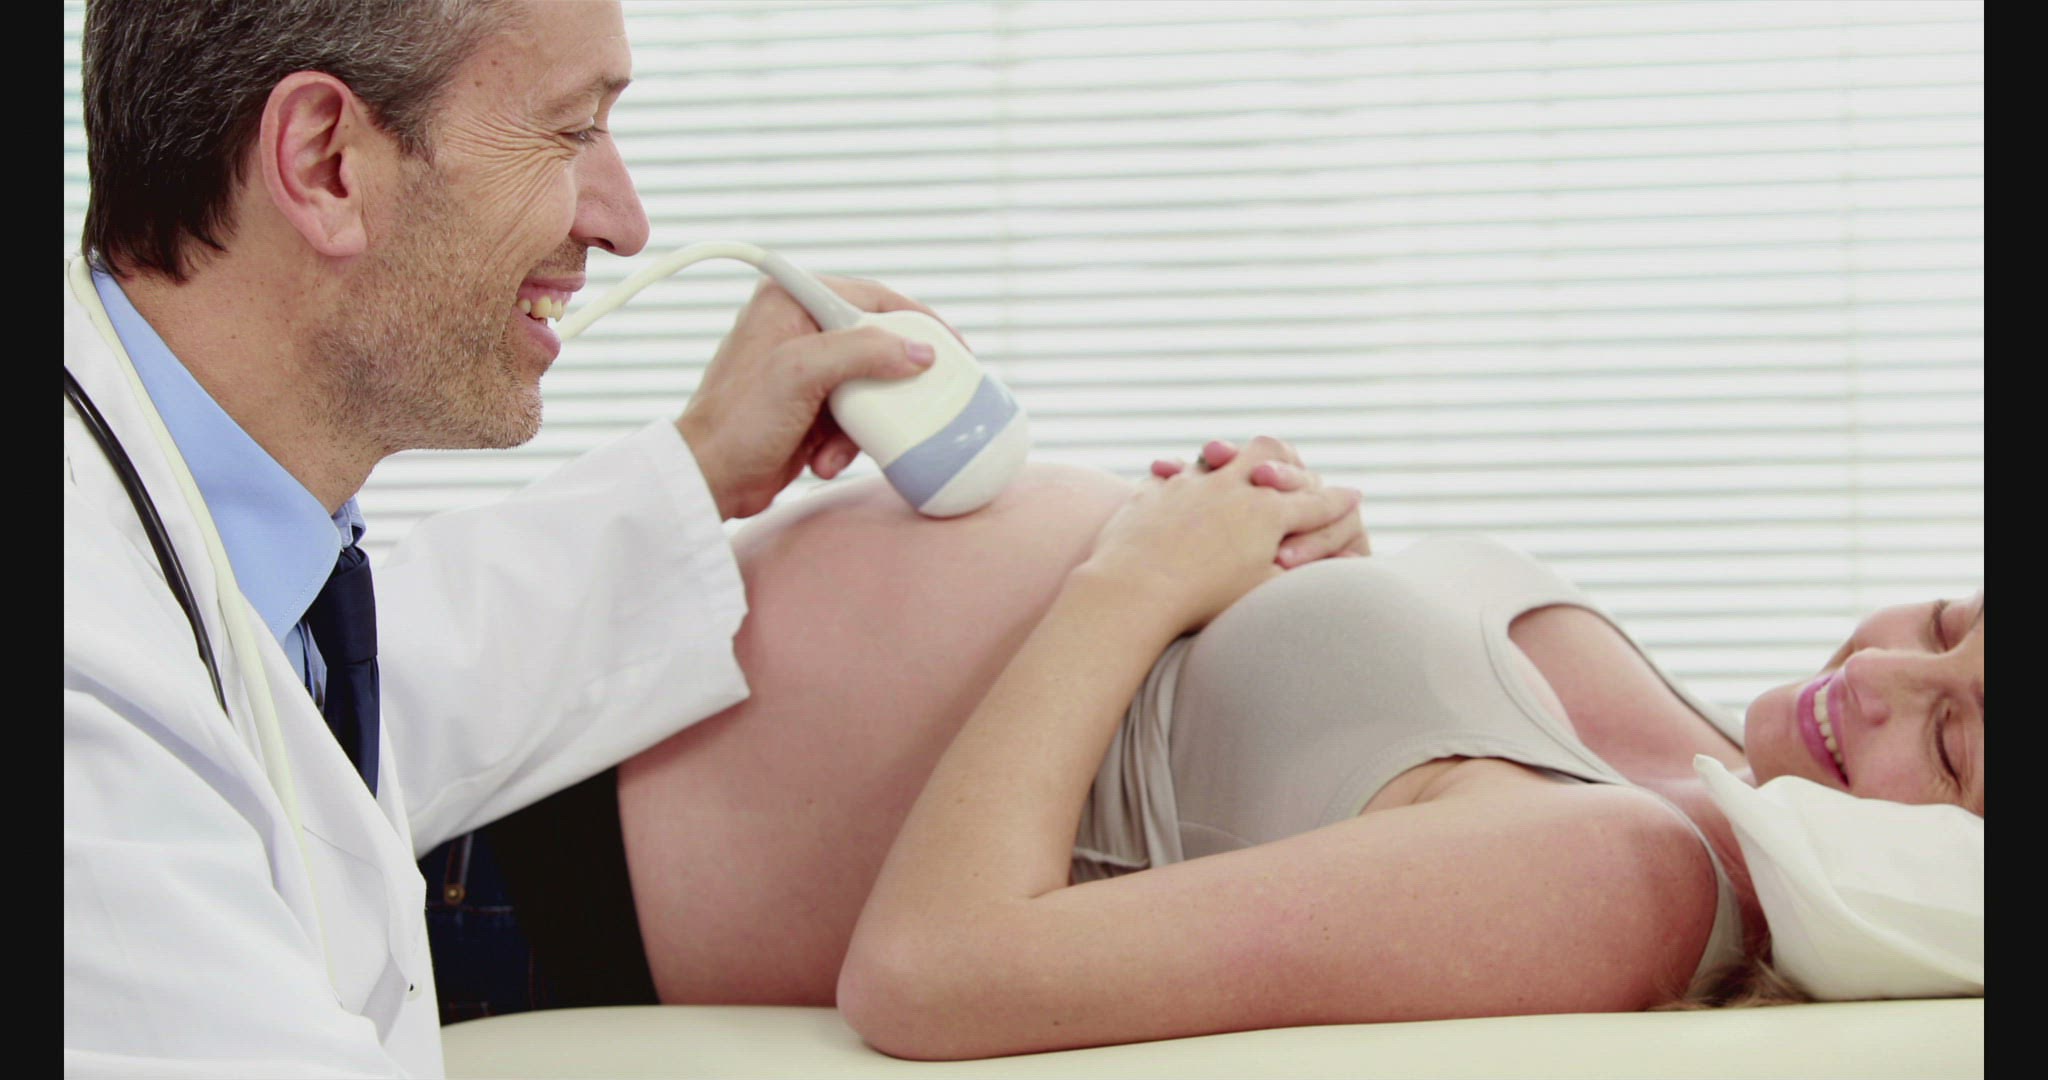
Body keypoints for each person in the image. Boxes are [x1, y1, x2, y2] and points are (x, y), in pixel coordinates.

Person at [65, 1, 1374, 1074]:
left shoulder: (211, 543)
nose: (624, 220)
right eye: (570, 131)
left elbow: (334, 708)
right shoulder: (79, 692)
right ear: (326, 163)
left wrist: (702, 467)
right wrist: (1126, 589)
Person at [596, 446, 1980, 1058]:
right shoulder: (1708, 767)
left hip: (560, 853)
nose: (1879, 680)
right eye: (1950, 624)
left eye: (1956, 741)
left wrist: (1136, 581)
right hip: (592, 663)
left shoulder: (1630, 886)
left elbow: (929, 973)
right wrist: (1305, 573)